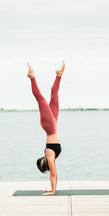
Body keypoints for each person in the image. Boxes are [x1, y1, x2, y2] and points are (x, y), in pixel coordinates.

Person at [27, 61, 65, 195]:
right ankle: (59, 75)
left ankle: (32, 77)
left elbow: (53, 175)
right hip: (53, 124)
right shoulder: (51, 157)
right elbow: (54, 174)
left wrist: (53, 191)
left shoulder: (50, 156)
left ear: (46, 165)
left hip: (49, 126)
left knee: (41, 99)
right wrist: (53, 189)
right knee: (54, 94)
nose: (50, 170)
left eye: (47, 169)